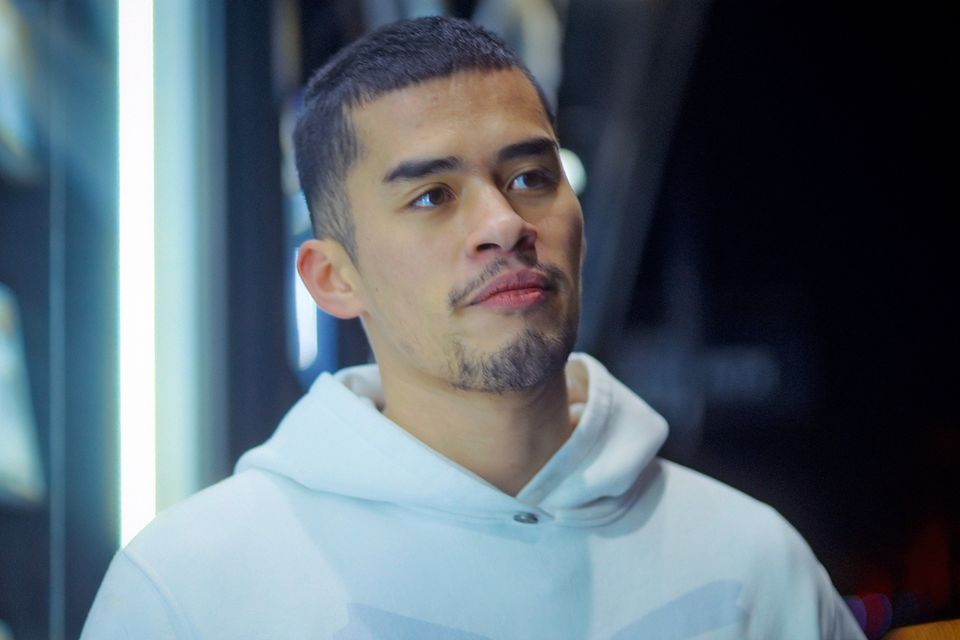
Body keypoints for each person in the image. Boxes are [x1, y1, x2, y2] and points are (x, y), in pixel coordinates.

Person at [82, 16, 865, 639]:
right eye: (432, 196)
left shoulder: (752, 566)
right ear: (334, 279)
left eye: (531, 177)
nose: (504, 223)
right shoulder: (194, 591)